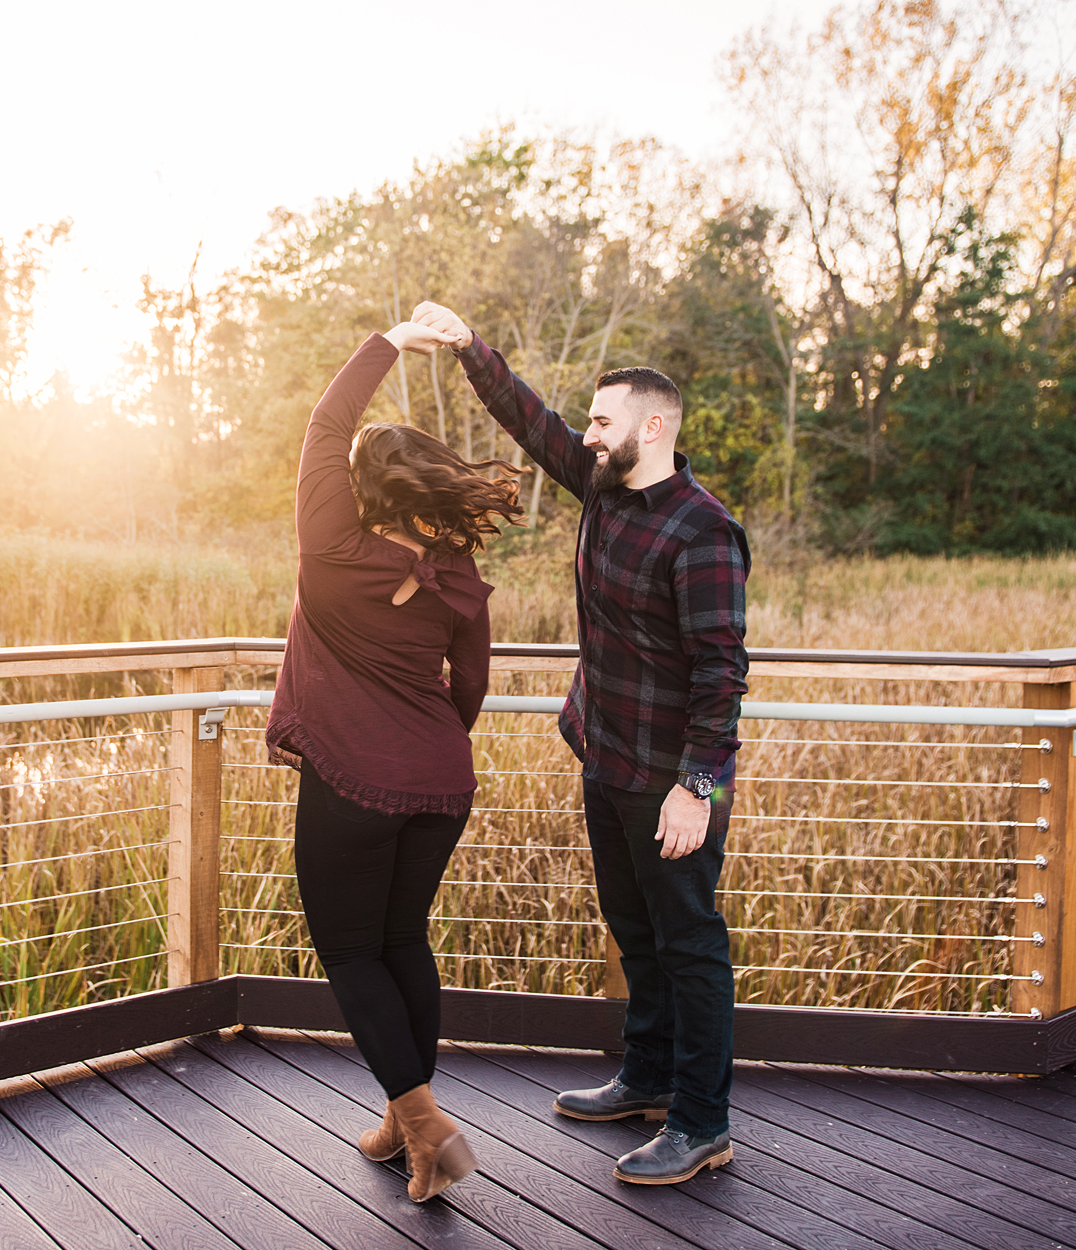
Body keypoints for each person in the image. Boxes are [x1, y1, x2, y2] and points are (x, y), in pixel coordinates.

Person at [413, 299, 750, 1186]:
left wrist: (699, 788)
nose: (587, 434)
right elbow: (530, 421)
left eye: (603, 420)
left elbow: (722, 673)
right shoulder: (602, 485)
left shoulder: (703, 529)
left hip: (671, 780)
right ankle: (644, 1078)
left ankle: (703, 1124)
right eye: (590, 422)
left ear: (652, 425)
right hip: (606, 756)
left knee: (690, 945)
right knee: (635, 933)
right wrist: (468, 345)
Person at [264, 321, 523, 1203]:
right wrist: (430, 745)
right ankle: (399, 1119)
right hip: (443, 780)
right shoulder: (459, 577)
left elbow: (323, 430)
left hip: (355, 780)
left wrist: (386, 342)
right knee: (401, 940)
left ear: (362, 488)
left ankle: (427, 1125)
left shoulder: (331, 545)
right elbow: (473, 689)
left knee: (348, 950)